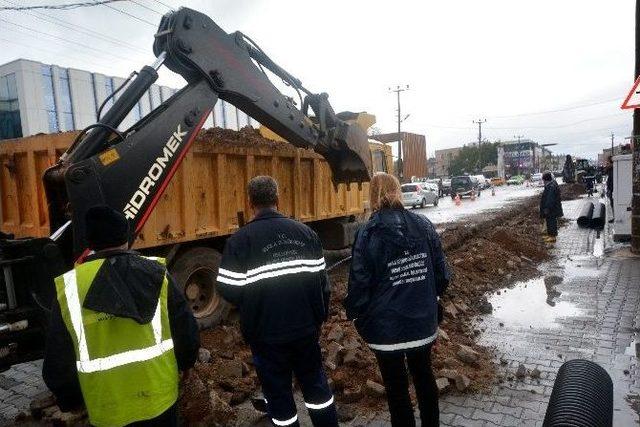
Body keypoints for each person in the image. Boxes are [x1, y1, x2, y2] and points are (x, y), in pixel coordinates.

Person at [43, 205, 199, 426]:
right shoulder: (157, 273)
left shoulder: (69, 287)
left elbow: (57, 358)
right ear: (126, 236)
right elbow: (185, 328)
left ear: (90, 242)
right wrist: (187, 363)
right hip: (160, 400)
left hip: (106, 408)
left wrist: (69, 399)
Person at [216, 176, 338, 427]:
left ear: (250, 202)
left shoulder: (239, 241)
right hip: (305, 330)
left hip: (265, 335)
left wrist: (254, 301)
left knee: (279, 396)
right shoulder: (306, 233)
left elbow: (228, 290)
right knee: (317, 389)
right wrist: (318, 318)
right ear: (277, 199)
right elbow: (322, 285)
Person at [344, 172, 450, 427]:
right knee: (424, 378)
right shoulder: (423, 225)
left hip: (386, 329)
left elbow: (359, 283)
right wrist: (430, 300)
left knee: (396, 388)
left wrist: (355, 315)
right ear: (398, 192)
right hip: (421, 324)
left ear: (372, 195)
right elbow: (442, 275)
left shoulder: (368, 233)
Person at [540, 171, 564, 243]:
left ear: (546, 179)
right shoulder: (551, 185)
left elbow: (550, 199)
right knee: (550, 222)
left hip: (551, 209)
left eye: (543, 180)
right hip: (552, 208)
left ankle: (552, 237)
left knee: (551, 222)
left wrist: (547, 208)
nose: (543, 182)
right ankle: (550, 235)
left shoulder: (551, 186)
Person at [606, 156, 614, 223]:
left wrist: (609, 189)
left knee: (613, 204)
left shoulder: (612, 169)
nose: (606, 164)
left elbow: (611, 181)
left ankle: (615, 217)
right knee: (612, 204)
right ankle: (615, 217)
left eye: (608, 163)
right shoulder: (610, 169)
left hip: (613, 190)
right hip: (611, 189)